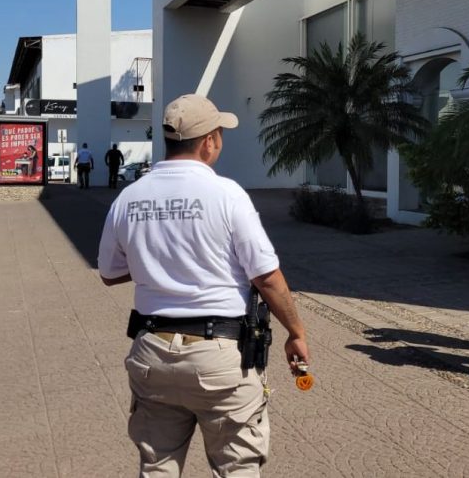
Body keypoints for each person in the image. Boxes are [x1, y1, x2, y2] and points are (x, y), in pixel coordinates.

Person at [97, 93, 310, 477]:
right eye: (220, 135)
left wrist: (156, 262)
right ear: (210, 141)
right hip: (219, 357)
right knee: (237, 467)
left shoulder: (129, 198)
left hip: (152, 354)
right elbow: (265, 276)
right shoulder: (227, 194)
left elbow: (110, 273)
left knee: (157, 466)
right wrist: (296, 331)